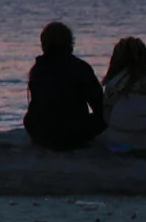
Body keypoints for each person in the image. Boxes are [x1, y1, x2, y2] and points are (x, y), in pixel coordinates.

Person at [23, 20, 106, 150]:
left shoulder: (37, 69)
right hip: (73, 134)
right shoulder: (80, 67)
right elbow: (99, 105)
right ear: (69, 42)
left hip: (41, 133)